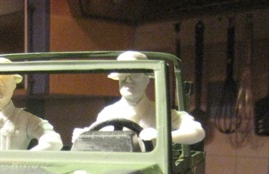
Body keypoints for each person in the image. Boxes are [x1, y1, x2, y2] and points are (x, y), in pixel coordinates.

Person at [74, 51, 205, 146]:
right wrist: (84, 136)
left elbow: (197, 132)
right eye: (123, 75)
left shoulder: (162, 113)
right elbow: (95, 138)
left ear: (147, 79)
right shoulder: (108, 113)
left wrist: (162, 136)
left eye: (135, 75)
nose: (128, 80)